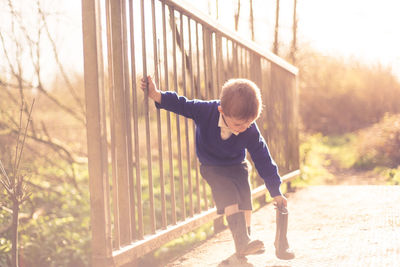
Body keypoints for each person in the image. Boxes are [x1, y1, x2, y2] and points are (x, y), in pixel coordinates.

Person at [141, 76, 289, 257]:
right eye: (238, 124)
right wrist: (156, 95)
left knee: (245, 199)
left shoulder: (249, 128)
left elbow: (263, 158)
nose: (243, 128)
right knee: (229, 196)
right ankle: (241, 241)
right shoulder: (206, 111)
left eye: (248, 123)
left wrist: (276, 191)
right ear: (222, 110)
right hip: (212, 166)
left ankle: (246, 239)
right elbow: (182, 104)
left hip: (236, 164)